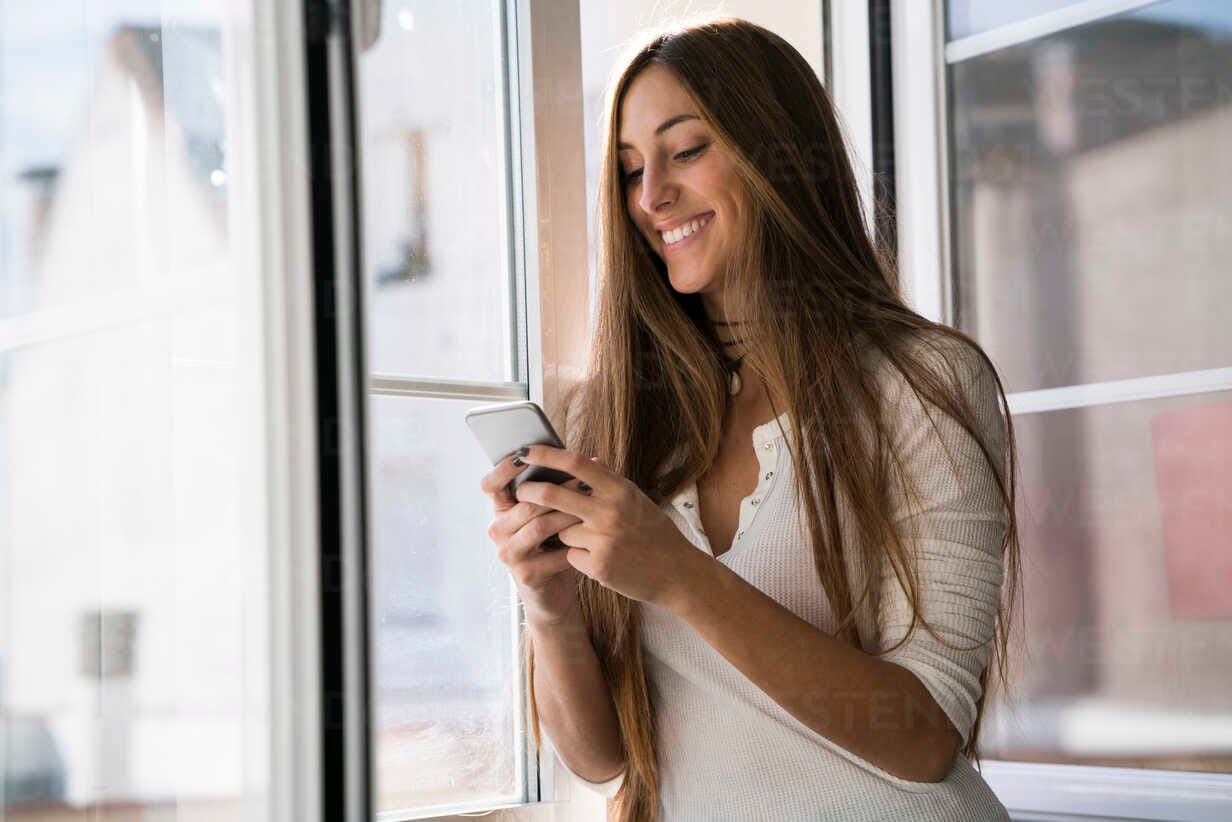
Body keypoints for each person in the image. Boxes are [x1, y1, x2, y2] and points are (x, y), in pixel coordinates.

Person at [479, 16, 1023, 822]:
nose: (651, 196)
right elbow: (603, 761)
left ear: (779, 155)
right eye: (629, 170)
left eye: (686, 150)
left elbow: (927, 737)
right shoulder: (613, 416)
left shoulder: (923, 384)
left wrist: (679, 575)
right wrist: (550, 611)